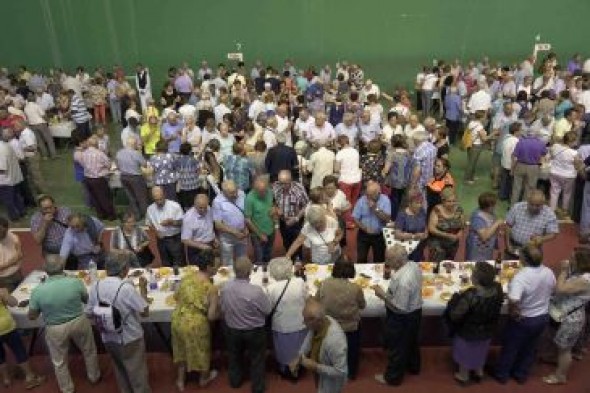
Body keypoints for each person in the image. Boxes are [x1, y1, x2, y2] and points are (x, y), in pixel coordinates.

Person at [28, 255, 101, 393]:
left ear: (45, 270)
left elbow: (32, 316)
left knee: (59, 361)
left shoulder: (38, 291)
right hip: (79, 321)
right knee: (89, 350)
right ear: (62, 267)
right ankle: (94, 376)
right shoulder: (75, 282)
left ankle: (67, 389)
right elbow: (87, 300)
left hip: (55, 328)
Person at [86, 253, 151, 393]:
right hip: (130, 337)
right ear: (124, 270)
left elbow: (89, 313)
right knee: (137, 374)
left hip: (108, 337)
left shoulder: (95, 286)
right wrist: (143, 289)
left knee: (120, 370)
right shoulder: (126, 288)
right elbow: (144, 312)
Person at [494, 244, 556, 384]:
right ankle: (520, 374)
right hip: (542, 317)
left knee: (511, 347)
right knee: (530, 348)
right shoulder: (548, 271)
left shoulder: (521, 277)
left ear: (524, 259)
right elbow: (553, 289)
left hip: (524, 319)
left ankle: (502, 374)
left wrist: (514, 312)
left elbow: (514, 299)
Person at [445, 262, 503, 385]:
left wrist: (455, 298)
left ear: (475, 278)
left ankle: (463, 376)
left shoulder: (471, 295)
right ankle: (479, 372)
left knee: (465, 353)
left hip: (469, 332)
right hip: (488, 329)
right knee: (481, 350)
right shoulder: (498, 288)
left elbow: (455, 316)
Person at [373, 245, 422, 386]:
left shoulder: (403, 281)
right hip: (416, 312)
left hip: (402, 318)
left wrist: (382, 295)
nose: (386, 262)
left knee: (397, 348)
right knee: (412, 342)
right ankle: (414, 367)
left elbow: (399, 307)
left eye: (388, 259)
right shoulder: (412, 265)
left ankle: (392, 378)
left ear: (399, 261)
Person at [220, 257, 271, 393]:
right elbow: (267, 310)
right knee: (257, 359)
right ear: (250, 272)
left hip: (232, 330)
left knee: (234, 356)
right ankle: (258, 388)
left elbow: (223, 309)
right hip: (254, 331)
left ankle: (235, 382)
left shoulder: (225, 288)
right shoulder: (256, 291)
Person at [542, 249, 590, 385]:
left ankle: (560, 376)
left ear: (581, 262)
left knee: (565, 349)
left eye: (573, 258)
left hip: (571, 319)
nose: (570, 259)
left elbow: (561, 289)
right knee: (557, 341)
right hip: (561, 313)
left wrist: (563, 270)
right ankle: (553, 357)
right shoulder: (579, 272)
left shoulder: (585, 280)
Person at [172, 254, 219, 391]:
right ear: (209, 267)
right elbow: (211, 316)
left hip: (178, 320)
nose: (218, 267)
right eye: (216, 265)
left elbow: (176, 296)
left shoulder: (186, 278)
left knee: (181, 351)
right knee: (202, 351)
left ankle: (180, 381)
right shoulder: (211, 288)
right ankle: (204, 378)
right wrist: (219, 311)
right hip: (196, 324)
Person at [316, 262, 366, 380]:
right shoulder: (355, 288)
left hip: (330, 326)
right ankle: (351, 373)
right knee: (352, 350)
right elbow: (362, 305)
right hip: (350, 327)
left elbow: (317, 299)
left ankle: (330, 370)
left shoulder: (325, 284)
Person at [289, 299, 348, 393]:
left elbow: (341, 372)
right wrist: (299, 356)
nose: (303, 323)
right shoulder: (321, 322)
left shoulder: (335, 341)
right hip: (321, 375)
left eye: (306, 320)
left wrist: (316, 367)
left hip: (332, 383)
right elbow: (309, 338)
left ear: (317, 321)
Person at [266, 257, 308, 380]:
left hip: (281, 325)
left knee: (283, 349)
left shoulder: (271, 288)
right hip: (300, 322)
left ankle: (285, 369)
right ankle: (299, 367)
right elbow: (306, 298)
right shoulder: (299, 282)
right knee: (299, 347)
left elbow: (268, 308)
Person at [0, 287, 45, 389]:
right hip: (6, 327)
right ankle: (30, 377)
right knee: (19, 350)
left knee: (0, 356)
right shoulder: (1, 291)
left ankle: (6, 379)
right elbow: (14, 303)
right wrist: (6, 295)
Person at [505, 189, 559, 259]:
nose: (534, 208)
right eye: (531, 204)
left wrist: (542, 239)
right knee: (509, 269)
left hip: (533, 250)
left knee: (530, 270)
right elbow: (508, 226)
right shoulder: (517, 207)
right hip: (513, 245)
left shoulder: (549, 214)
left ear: (543, 203)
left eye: (537, 205)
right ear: (527, 201)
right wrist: (508, 245)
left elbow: (553, 233)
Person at [74, 135, 116, 220]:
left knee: (95, 198)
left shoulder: (83, 154)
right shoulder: (100, 154)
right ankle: (111, 215)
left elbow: (83, 164)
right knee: (104, 198)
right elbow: (108, 164)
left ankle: (101, 215)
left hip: (88, 179)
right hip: (99, 179)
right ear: (96, 144)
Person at [353, 180, 392, 264]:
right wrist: (364, 228)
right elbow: (355, 218)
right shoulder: (362, 200)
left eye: (370, 195)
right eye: (367, 194)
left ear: (378, 193)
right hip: (363, 234)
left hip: (379, 235)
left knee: (379, 260)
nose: (368, 197)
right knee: (361, 259)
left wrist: (375, 208)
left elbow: (387, 219)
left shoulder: (385, 200)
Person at [273, 170, 308, 261]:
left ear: (291, 180)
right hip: (282, 221)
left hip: (296, 221)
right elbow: (273, 202)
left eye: (285, 183)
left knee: (296, 243)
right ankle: (290, 260)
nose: (283, 186)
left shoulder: (299, 189)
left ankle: (298, 261)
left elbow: (306, 205)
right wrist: (277, 209)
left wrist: (296, 218)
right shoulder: (276, 187)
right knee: (286, 242)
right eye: (281, 183)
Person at [212, 180, 249, 266]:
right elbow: (218, 224)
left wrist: (246, 227)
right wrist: (235, 232)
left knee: (242, 260)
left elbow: (246, 213)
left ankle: (242, 278)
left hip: (242, 234)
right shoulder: (217, 202)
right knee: (227, 263)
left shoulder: (242, 194)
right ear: (224, 192)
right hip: (227, 237)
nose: (235, 194)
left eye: (236, 191)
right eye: (232, 193)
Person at [145, 186, 184, 267]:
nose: (159, 202)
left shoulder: (175, 206)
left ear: (164, 195)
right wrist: (156, 232)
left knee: (179, 263)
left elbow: (182, 222)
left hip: (175, 238)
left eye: (160, 199)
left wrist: (172, 222)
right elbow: (149, 224)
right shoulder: (150, 209)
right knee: (165, 263)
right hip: (161, 239)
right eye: (156, 200)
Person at [181, 193, 218, 270]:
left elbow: (210, 226)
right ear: (195, 205)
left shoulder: (209, 209)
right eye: (200, 208)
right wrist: (202, 246)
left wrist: (215, 238)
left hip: (210, 246)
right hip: (196, 250)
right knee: (198, 273)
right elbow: (185, 240)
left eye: (205, 207)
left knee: (212, 270)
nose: (203, 210)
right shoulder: (188, 217)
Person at [245, 176, 277, 265]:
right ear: (255, 190)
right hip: (257, 234)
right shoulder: (249, 198)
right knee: (260, 258)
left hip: (271, 230)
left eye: (264, 191)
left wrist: (274, 209)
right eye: (260, 192)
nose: (263, 194)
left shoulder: (270, 192)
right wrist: (260, 234)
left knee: (269, 254)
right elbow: (248, 220)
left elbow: (273, 204)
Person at [427, 187, 465, 263]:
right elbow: (431, 228)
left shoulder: (459, 210)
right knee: (436, 265)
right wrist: (447, 235)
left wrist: (460, 232)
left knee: (448, 264)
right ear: (443, 201)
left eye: (454, 201)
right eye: (449, 201)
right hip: (437, 244)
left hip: (453, 244)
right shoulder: (436, 210)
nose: (452, 204)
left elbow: (462, 225)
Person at [116, 136, 149, 219]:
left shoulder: (119, 152)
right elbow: (144, 164)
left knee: (131, 197)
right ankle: (146, 215)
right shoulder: (136, 153)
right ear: (134, 144)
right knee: (141, 197)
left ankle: (136, 215)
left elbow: (117, 165)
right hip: (135, 178)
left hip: (123, 177)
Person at [549, 131, 580, 219]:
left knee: (554, 192)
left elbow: (551, 155)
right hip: (568, 175)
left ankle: (552, 210)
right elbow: (577, 165)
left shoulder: (555, 146)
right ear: (571, 141)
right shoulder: (574, 153)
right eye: (575, 141)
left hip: (554, 172)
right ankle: (565, 210)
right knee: (567, 193)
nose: (576, 142)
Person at [511, 132, 547, 205]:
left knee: (516, 187)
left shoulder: (521, 142)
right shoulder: (541, 143)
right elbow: (543, 155)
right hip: (533, 167)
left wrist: (512, 169)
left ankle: (513, 205)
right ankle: (524, 206)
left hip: (520, 165)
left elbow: (514, 156)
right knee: (530, 188)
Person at [465, 192, 504, 261]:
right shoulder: (477, 217)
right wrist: (497, 223)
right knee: (474, 266)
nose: (496, 206)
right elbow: (484, 236)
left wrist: (498, 231)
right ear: (489, 206)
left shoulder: (490, 213)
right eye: (494, 205)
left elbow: (491, 226)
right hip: (477, 249)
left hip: (487, 248)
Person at [334, 135, 362, 227]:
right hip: (357, 179)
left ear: (339, 144)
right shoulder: (355, 151)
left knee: (346, 203)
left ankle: (348, 222)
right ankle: (355, 219)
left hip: (345, 180)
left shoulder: (340, 153)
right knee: (354, 201)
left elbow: (336, 169)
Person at [394, 192, 428, 262]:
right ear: (410, 203)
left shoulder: (422, 211)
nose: (419, 205)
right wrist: (414, 236)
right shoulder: (402, 215)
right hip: (406, 248)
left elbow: (425, 226)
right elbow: (397, 234)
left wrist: (425, 233)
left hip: (419, 246)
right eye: (417, 203)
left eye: (421, 203)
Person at [0, 129, 25, 220]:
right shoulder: (8, 145)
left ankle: (14, 217)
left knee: (9, 200)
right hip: (14, 177)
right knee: (17, 196)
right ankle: (22, 212)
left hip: (5, 180)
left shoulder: (1, 149)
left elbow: (2, 168)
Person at [0, 216, 23, 292]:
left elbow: (19, 254)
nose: (3, 235)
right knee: (11, 299)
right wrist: (11, 263)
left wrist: (18, 255)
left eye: (4, 232)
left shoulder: (11, 236)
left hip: (17, 273)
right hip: (3, 279)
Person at [176, 142, 201, 210]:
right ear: (190, 150)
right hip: (194, 185)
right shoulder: (194, 160)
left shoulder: (178, 161)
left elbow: (177, 172)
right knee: (194, 202)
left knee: (186, 203)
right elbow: (199, 171)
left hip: (183, 186)